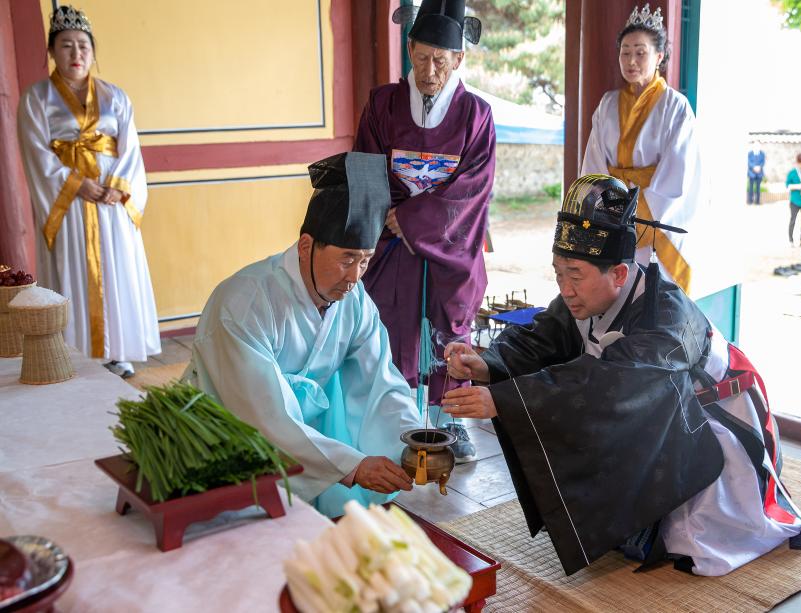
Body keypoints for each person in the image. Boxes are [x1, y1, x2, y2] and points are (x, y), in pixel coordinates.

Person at [441, 175, 801, 577]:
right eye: (559, 273)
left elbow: (610, 382)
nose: (565, 288)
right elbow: (544, 336)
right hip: (656, 416)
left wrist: (506, 399)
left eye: (575, 275)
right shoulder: (584, 295)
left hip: (707, 419)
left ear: (619, 273)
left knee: (691, 539)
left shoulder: (667, 316)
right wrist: (488, 364)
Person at [185, 152, 422, 518]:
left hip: (307, 442)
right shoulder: (245, 302)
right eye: (346, 259)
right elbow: (261, 413)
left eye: (365, 260)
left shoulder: (354, 300)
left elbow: (380, 381)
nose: (355, 276)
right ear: (306, 246)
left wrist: (412, 439)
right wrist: (352, 466)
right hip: (231, 437)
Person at [354, 0, 496, 463]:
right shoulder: (382, 104)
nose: (429, 69)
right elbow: (368, 168)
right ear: (409, 49)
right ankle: (391, 417)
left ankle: (451, 422)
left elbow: (474, 187)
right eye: (421, 57)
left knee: (451, 327)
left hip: (450, 242)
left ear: (459, 59)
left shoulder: (477, 115)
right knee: (387, 323)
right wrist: (391, 219)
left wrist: (415, 219)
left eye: (440, 59)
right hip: (391, 240)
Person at [17, 5, 159, 377]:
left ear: (93, 52)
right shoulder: (36, 99)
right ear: (51, 51)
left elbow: (130, 150)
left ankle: (119, 350)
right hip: (70, 206)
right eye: (66, 45)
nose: (76, 54)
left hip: (111, 205)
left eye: (83, 45)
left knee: (117, 273)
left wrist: (117, 188)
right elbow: (35, 151)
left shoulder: (115, 97)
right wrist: (79, 185)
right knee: (73, 271)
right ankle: (78, 353)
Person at [581, 4, 701, 295]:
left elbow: (678, 173)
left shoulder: (675, 107)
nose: (631, 61)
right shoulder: (607, 105)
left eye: (640, 52)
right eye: (625, 52)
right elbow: (594, 165)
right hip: (613, 214)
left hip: (656, 221)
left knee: (654, 301)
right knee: (613, 298)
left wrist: (632, 214)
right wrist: (611, 210)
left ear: (659, 57)